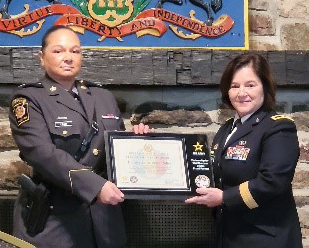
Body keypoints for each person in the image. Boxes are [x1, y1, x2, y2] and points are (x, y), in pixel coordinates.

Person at [9, 25, 149, 248]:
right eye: (58, 51)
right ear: (41, 57)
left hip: (105, 220)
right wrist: (94, 186)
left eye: (75, 51)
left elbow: (113, 150)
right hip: (55, 220)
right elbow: (42, 154)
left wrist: (137, 142)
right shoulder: (28, 99)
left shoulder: (103, 96)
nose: (68, 58)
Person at [185, 54, 303, 248]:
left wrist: (224, 198)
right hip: (229, 234)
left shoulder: (278, 127)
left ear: (265, 86)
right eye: (234, 86)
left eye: (250, 85)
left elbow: (272, 182)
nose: (241, 93)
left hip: (264, 236)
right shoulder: (227, 129)